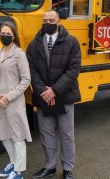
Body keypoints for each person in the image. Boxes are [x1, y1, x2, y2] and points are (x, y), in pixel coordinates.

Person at [26, 10, 81, 179]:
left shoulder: (72, 42)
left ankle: (68, 169)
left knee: (67, 134)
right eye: (45, 20)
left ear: (58, 22)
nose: (48, 22)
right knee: (46, 133)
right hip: (44, 97)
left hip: (64, 96)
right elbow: (31, 70)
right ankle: (49, 167)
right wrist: (44, 91)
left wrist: (54, 91)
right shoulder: (34, 44)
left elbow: (73, 70)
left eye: (51, 19)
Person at [0, 21, 32, 179]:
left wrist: (8, 96)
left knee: (17, 136)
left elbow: (26, 80)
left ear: (13, 36)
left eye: (8, 34)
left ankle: (18, 172)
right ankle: (13, 162)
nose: (4, 36)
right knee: (5, 135)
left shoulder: (19, 54)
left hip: (13, 102)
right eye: (2, 33)